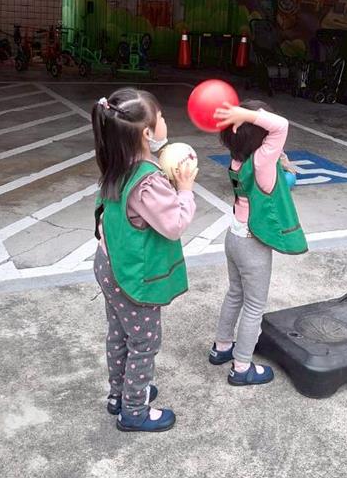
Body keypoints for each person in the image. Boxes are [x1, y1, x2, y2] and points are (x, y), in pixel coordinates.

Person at [92, 89, 197, 434]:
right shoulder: (148, 181)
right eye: (161, 116)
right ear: (147, 133)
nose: (166, 121)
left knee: (119, 334)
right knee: (144, 343)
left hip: (109, 265)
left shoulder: (117, 165)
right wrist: (185, 188)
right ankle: (134, 410)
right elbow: (174, 224)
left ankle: (118, 394)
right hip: (133, 277)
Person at [209, 100, 307, 386]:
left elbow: (270, 144)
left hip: (234, 237)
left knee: (235, 294)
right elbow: (281, 125)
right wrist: (249, 114)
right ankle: (241, 367)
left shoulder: (237, 158)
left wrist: (244, 117)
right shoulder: (262, 161)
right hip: (252, 245)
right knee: (254, 306)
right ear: (262, 137)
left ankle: (222, 347)